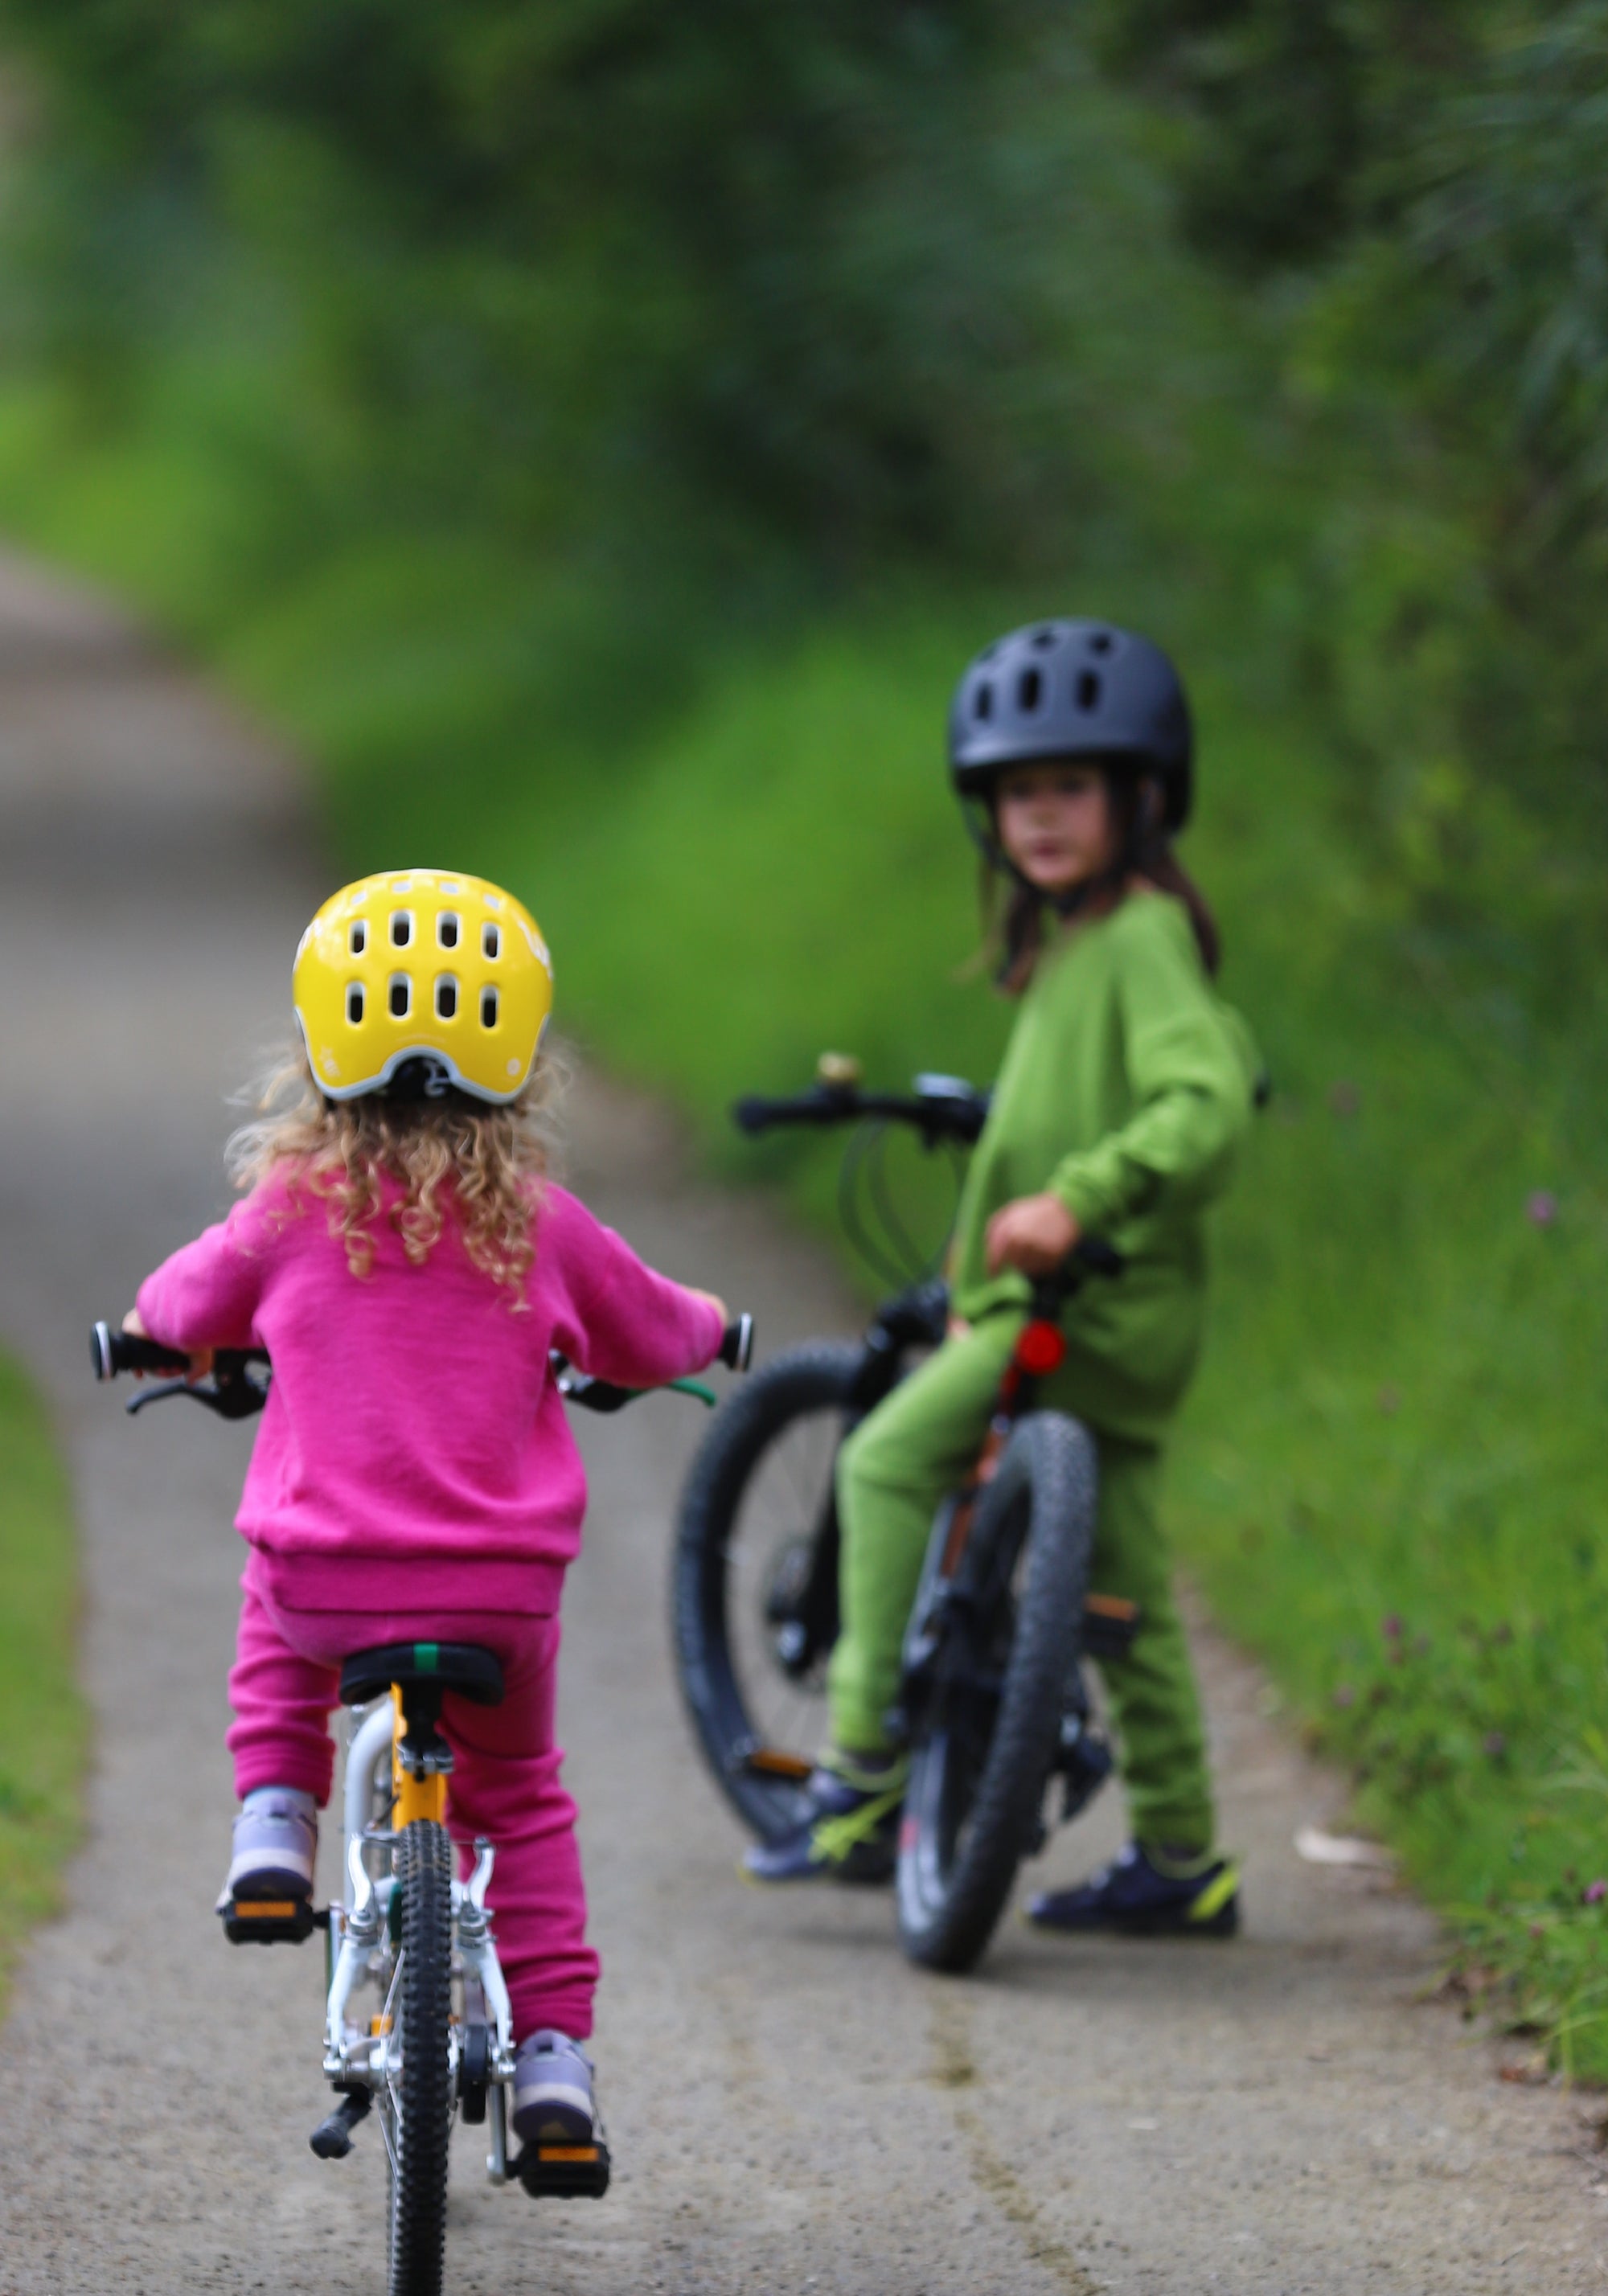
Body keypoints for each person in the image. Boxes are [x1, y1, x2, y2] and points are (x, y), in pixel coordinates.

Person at [125, 868, 728, 2143]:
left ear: (320, 1052)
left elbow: (182, 1309)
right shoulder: (544, 1226)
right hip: (501, 1607)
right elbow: (652, 1327)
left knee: (270, 1584)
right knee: (522, 1798)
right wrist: (719, 1331)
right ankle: (557, 2061)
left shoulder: (291, 1210)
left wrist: (140, 1337)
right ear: (521, 1061)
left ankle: (275, 1819)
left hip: (329, 1594)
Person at [745, 620, 1260, 1935]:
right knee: (1124, 1602)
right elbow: (1114, 1089)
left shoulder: (1137, 936)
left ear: (1142, 796)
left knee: (887, 1461)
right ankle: (1187, 1861)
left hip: (1073, 1311)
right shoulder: (1084, 938)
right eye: (1017, 795)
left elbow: (1203, 1105)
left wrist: (1073, 1195)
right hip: (1135, 1326)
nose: (1040, 817)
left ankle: (858, 1772)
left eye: (1070, 789)